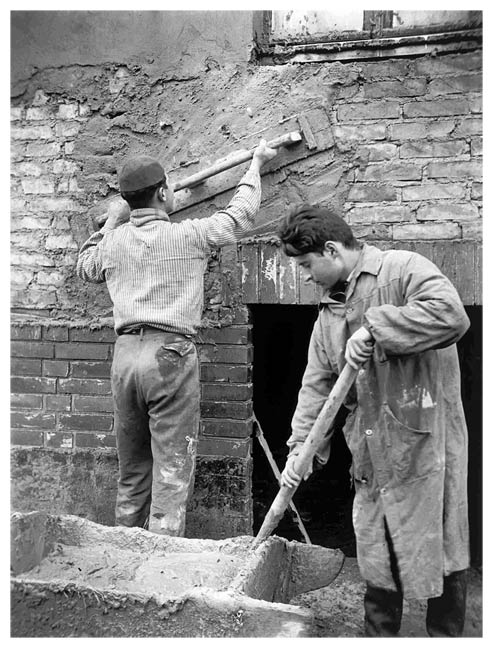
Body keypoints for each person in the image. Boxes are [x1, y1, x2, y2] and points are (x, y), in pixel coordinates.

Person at [278, 204, 470, 637]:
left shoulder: (402, 270)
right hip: (371, 456)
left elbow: (451, 315)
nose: (305, 276)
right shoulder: (327, 316)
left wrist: (377, 328)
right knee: (377, 559)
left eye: (307, 265)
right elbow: (317, 389)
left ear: (330, 250)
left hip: (425, 449)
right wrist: (299, 449)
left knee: (441, 551)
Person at [77, 140, 277, 536]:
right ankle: (159, 561)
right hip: (169, 355)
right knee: (171, 469)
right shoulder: (191, 235)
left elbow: (85, 267)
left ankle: (120, 548)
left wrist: (113, 221)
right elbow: (238, 216)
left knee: (132, 469)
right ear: (164, 192)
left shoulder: (112, 242)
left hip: (125, 358)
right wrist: (255, 164)